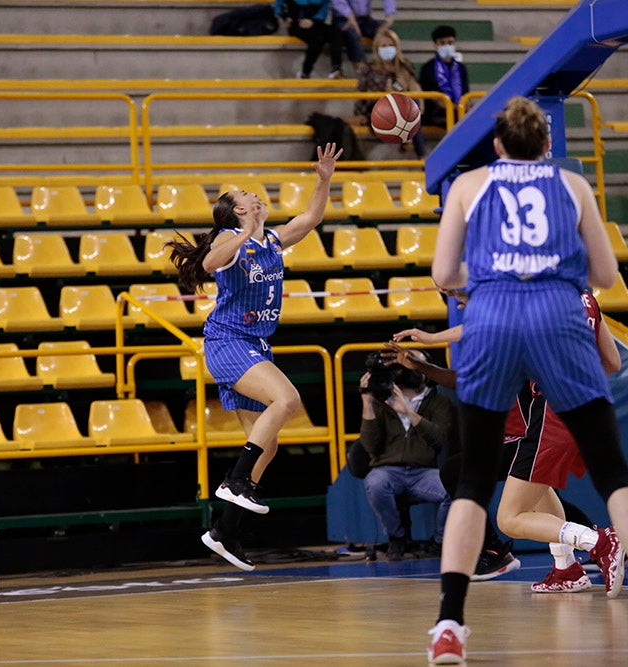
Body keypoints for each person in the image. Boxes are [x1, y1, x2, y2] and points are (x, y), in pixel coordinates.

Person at [426, 96, 628, 663]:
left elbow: (444, 274)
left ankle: (449, 626)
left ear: (497, 146)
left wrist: (495, 271)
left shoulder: (469, 186)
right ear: (547, 146)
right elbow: (604, 274)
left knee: (473, 481)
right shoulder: (572, 188)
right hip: (558, 317)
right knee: (615, 472)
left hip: (494, 317)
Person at [167, 143, 342, 571]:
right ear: (237, 211)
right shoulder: (232, 238)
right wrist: (242, 233)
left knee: (269, 442)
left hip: (255, 344)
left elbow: (311, 219)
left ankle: (225, 530)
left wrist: (323, 179)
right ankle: (236, 482)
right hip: (228, 341)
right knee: (287, 400)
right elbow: (208, 265)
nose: (254, 195)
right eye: (245, 195)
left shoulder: (271, 240)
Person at [395, 289, 626, 596]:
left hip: (551, 412)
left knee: (510, 517)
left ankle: (600, 541)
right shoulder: (585, 297)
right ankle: (566, 568)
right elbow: (612, 362)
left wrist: (429, 339)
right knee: (540, 491)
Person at [356, 353, 454, 560]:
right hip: (388, 469)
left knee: (452, 489)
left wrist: (408, 412)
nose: (413, 370)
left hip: (423, 471)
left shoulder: (438, 401)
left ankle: (440, 542)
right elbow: (370, 445)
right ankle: (397, 537)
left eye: (418, 364)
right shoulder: (381, 399)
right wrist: (367, 402)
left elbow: (439, 438)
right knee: (375, 483)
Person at [351, 30, 427, 158]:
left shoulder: (405, 67)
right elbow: (362, 96)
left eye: (391, 45)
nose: (388, 49)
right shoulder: (368, 69)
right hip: (377, 110)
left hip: (404, 108)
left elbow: (415, 89)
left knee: (413, 101)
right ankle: (420, 151)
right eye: (384, 46)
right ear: (377, 49)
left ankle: (414, 143)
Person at [276, 0, 344, 79]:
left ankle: (336, 68)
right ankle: (305, 72)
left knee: (335, 31)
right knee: (317, 38)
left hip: (316, 23)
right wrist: (285, 17)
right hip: (296, 24)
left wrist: (312, 21)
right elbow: (277, 5)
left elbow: (324, 9)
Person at [419, 24, 469, 129]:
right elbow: (436, 100)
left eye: (450, 42)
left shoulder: (461, 68)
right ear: (436, 45)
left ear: (454, 43)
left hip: (458, 111)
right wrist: (458, 108)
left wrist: (466, 105)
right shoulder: (427, 69)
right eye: (442, 43)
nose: (446, 46)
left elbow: (466, 95)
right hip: (436, 113)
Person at [331, 0, 395, 70]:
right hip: (343, 18)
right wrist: (351, 18)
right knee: (352, 35)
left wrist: (389, 19)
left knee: (389, 34)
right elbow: (338, 2)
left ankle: (392, 65)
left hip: (365, 19)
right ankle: (361, 68)